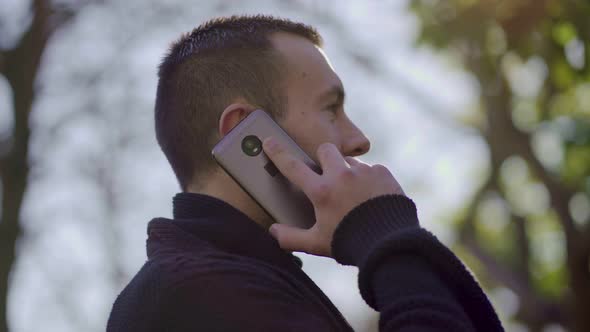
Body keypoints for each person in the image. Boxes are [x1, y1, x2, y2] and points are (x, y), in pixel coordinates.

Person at [107, 15, 504, 331]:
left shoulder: (229, 278)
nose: (359, 140)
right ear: (251, 135)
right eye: (331, 109)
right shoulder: (197, 290)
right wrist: (387, 237)